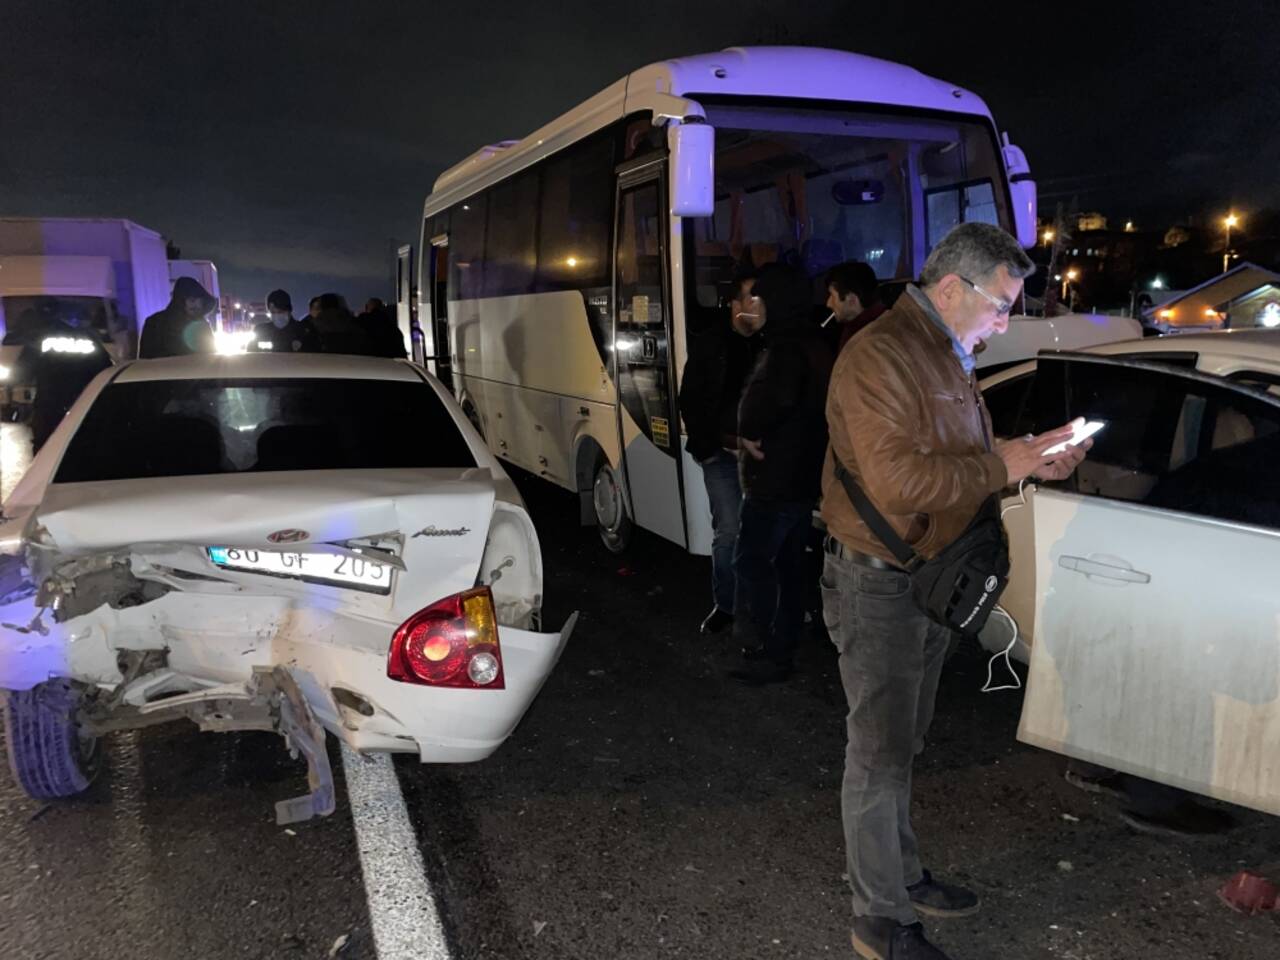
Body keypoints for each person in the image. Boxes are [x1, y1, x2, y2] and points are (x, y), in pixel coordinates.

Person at [821, 222, 1090, 960]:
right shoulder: (879, 354)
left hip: (927, 579)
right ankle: (877, 916)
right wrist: (1003, 466)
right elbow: (897, 483)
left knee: (903, 741)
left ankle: (902, 877)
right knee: (877, 752)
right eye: (1001, 305)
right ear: (952, 289)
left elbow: (967, 464)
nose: (1007, 320)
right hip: (877, 583)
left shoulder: (944, 351)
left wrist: (1036, 461)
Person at [728, 263, 834, 685]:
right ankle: (783, 646)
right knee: (788, 565)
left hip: (777, 477)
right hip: (804, 474)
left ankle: (767, 650)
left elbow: (771, 401)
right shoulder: (816, 342)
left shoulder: (787, 348)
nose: (758, 307)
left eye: (762, 299)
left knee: (753, 562)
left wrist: (750, 431)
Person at [678, 273, 763, 636]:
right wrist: (714, 446)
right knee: (728, 530)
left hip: (761, 457)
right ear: (735, 305)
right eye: (752, 300)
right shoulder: (711, 344)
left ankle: (759, 604)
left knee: (762, 531)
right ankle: (726, 605)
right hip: (723, 454)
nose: (759, 308)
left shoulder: (768, 344)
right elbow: (691, 401)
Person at [27, 304, 113, 452]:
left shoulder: (40, 340)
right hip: (83, 403)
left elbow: (23, 371)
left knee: (45, 450)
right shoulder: (89, 339)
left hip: (49, 406)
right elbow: (105, 368)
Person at [139, 277, 216, 358]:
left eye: (201, 302)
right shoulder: (154, 323)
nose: (197, 305)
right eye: (192, 300)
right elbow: (146, 358)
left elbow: (211, 357)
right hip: (164, 370)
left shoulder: (202, 326)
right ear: (180, 300)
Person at [826, 261, 885, 352]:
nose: (828, 303)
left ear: (852, 300)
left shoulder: (866, 341)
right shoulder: (883, 321)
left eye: (833, 296)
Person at [249, 289, 320, 353]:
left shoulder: (303, 330)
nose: (277, 315)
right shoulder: (261, 330)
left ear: (289, 310)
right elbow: (251, 354)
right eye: (273, 312)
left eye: (280, 311)